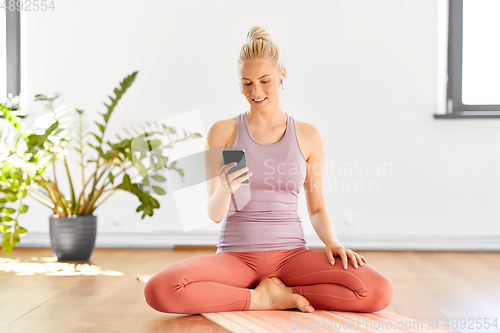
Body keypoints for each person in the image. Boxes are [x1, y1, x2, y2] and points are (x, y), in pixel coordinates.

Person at [144, 26, 394, 315]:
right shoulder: (223, 131)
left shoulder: (308, 136)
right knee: (160, 289)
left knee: (377, 291)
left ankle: (283, 293)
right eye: (246, 83)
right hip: (236, 257)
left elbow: (316, 208)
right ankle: (261, 299)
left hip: (292, 256)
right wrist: (225, 189)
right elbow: (214, 215)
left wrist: (332, 242)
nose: (256, 92)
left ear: (282, 76)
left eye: (265, 81)